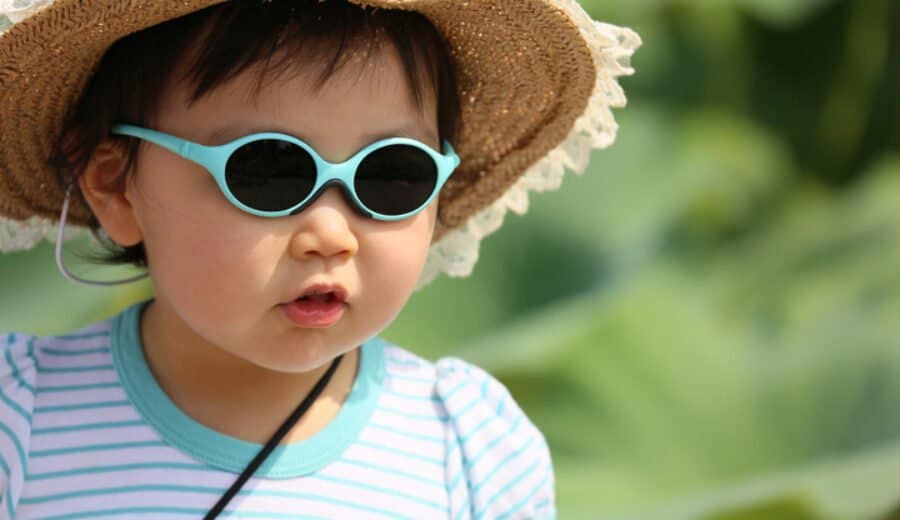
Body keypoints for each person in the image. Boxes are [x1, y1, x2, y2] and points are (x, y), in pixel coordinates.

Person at [0, 0, 639, 517]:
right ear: (116, 186)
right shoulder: (20, 421)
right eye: (269, 170)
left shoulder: (468, 447)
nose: (331, 233)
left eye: (393, 172)